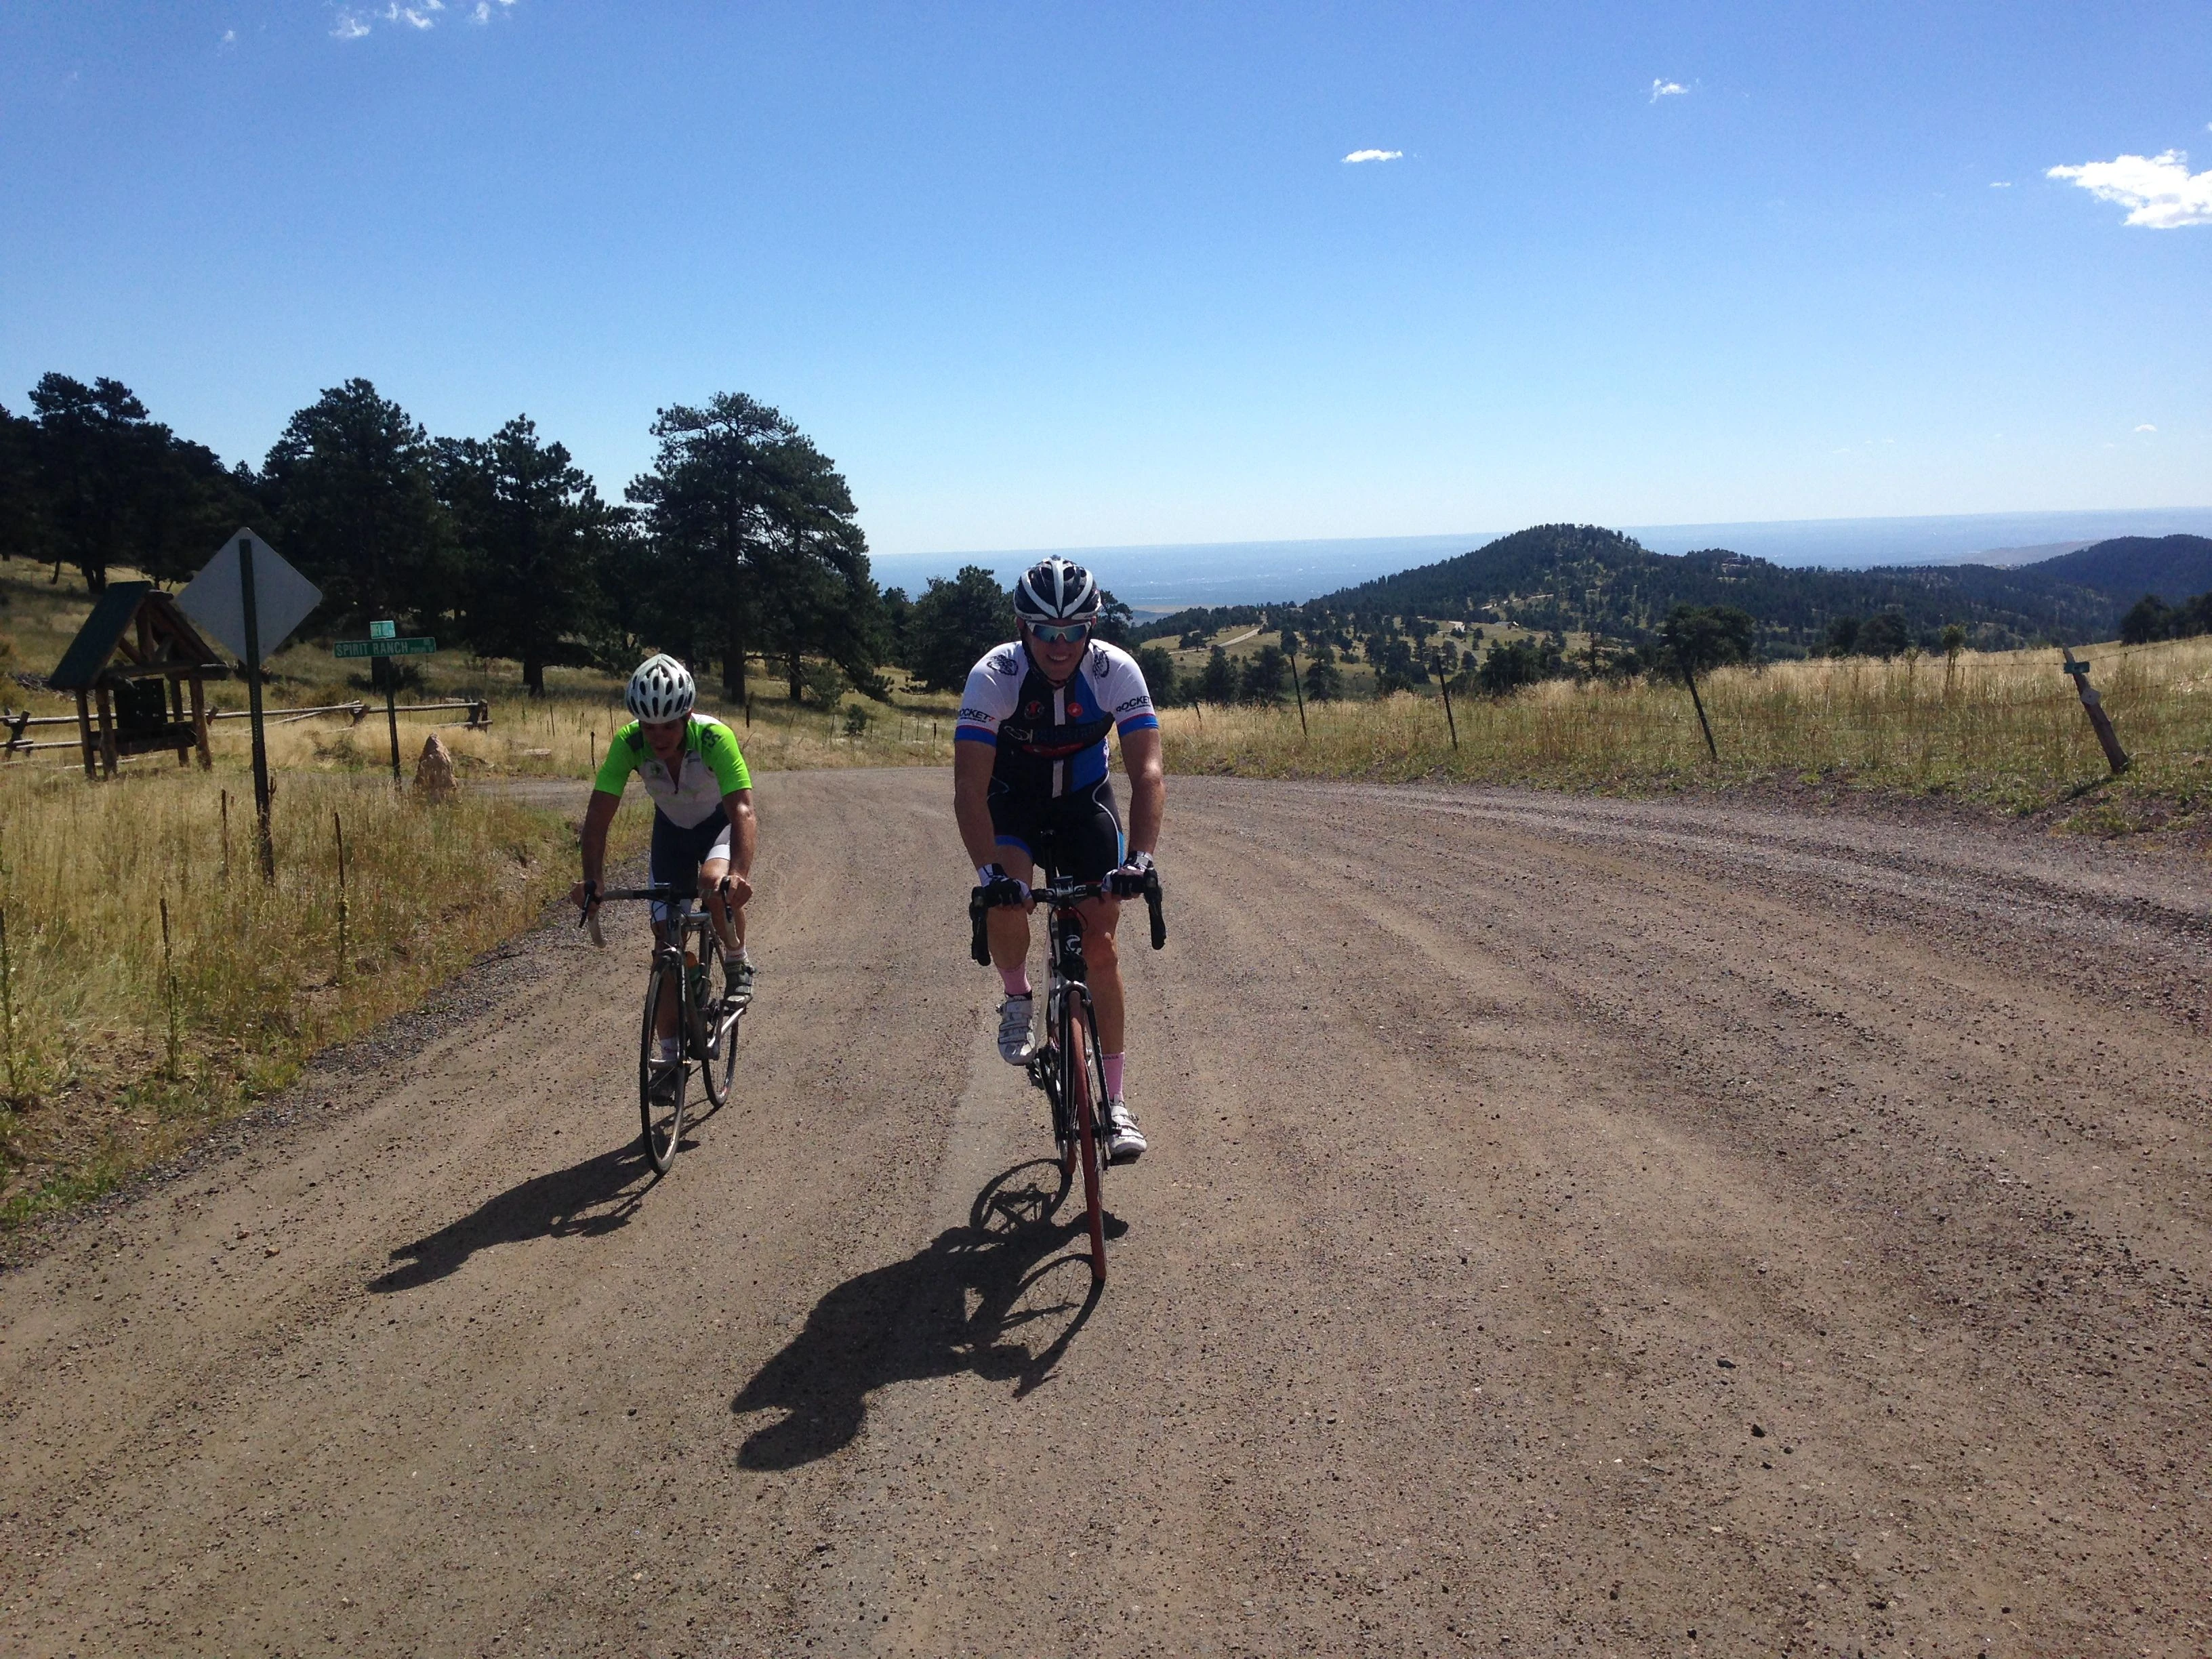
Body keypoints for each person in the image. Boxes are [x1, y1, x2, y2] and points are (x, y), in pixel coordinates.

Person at [954, 557, 1164, 1160]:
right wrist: (989, 875)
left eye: (1074, 631)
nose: (1060, 645)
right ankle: (1018, 995)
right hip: (1011, 803)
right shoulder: (994, 676)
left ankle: (1117, 1104)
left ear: (1092, 626)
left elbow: (1147, 773)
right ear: (1024, 628)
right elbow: (970, 789)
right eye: (1047, 632)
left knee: (1101, 944)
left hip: (1082, 805)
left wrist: (1142, 859)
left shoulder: (1114, 671)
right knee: (1007, 899)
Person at [571, 655, 757, 1077]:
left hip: (718, 826)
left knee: (713, 883)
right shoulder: (628, 743)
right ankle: (670, 1056)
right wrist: (593, 880)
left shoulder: (714, 737)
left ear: (687, 716)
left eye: (669, 726)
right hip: (671, 832)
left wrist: (740, 875)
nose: (657, 736)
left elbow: (744, 810)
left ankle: (736, 957)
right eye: (648, 726)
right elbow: (597, 818)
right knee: (664, 947)